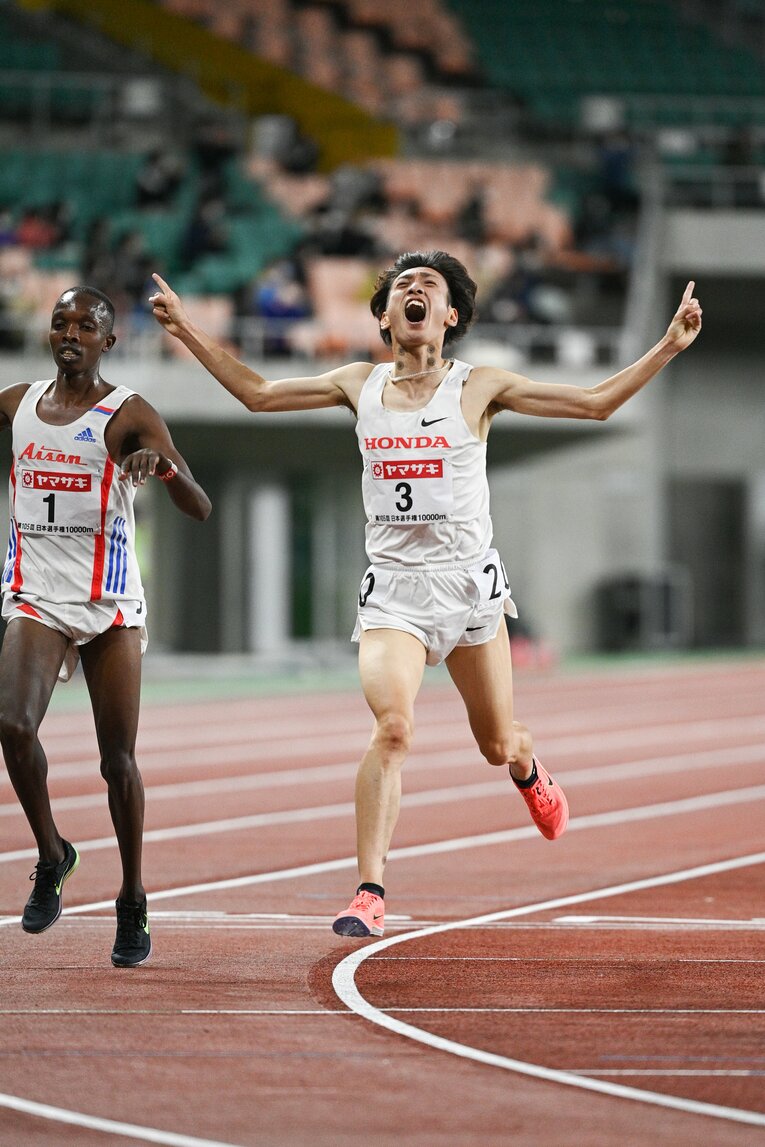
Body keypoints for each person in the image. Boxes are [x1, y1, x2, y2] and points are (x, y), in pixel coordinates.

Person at [149, 251, 702, 938]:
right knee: (393, 728)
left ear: (449, 317)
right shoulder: (359, 383)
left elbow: (592, 405)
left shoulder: (478, 387)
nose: (413, 291)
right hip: (395, 597)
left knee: (496, 743)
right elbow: (257, 393)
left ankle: (529, 768)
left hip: (470, 593)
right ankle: (368, 891)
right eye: (401, 287)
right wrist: (185, 330)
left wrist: (667, 346)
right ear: (383, 315)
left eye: (429, 287)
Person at [0, 286, 211, 966]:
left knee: (116, 760)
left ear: (107, 340)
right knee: (10, 723)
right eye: (59, 321)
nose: (69, 332)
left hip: (108, 603)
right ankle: (53, 852)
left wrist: (161, 465)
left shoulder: (128, 415)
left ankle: (132, 897)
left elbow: (199, 506)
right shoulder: (17, 405)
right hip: (35, 596)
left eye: (85, 324)